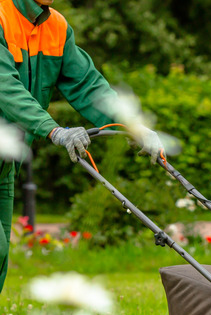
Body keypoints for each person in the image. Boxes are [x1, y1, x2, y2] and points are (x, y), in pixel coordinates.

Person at [0, 0, 162, 292]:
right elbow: (5, 88)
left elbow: (88, 85)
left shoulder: (57, 27)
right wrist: (53, 130)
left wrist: (133, 126)